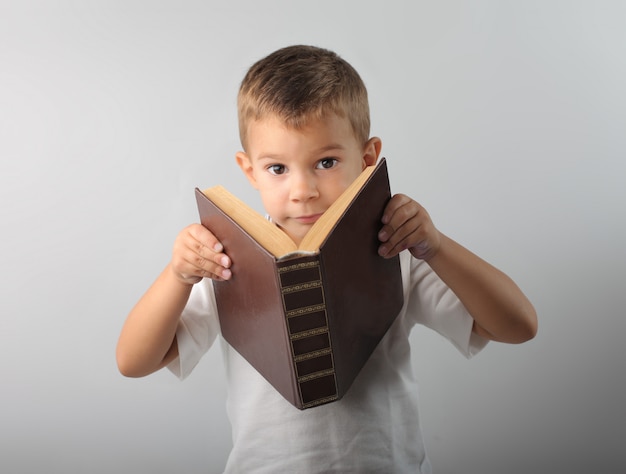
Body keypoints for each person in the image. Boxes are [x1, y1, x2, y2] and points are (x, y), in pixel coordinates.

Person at [116, 45, 537, 473]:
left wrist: (437, 247)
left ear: (368, 159)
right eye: (278, 168)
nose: (303, 191)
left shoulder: (394, 250)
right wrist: (178, 275)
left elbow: (518, 326)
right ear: (250, 171)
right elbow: (134, 362)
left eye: (326, 162)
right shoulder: (226, 261)